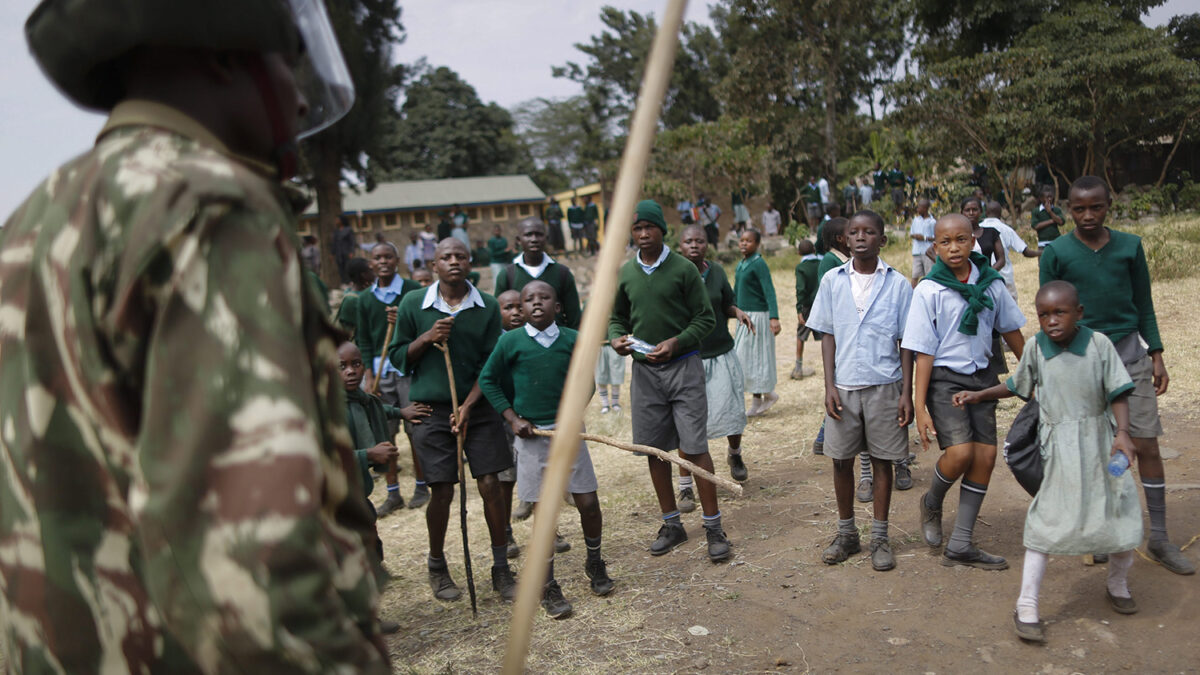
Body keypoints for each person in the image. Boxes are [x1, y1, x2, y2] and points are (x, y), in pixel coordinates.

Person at [0, 0, 391, 670]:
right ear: (222, 54)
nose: (300, 100)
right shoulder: (210, 205)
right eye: (285, 62)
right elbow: (250, 570)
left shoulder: (37, 216)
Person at [951, 281, 1142, 643]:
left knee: (1119, 516)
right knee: (1044, 524)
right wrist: (979, 395)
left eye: (1060, 312)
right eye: (1043, 315)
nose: (1051, 321)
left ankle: (1117, 583)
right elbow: (1015, 385)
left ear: (1079, 313)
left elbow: (1118, 391)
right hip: (1059, 452)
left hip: (1101, 444)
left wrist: (1123, 433)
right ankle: (1027, 604)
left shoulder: (1099, 345)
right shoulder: (1037, 348)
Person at [1039, 176, 1192, 575]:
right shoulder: (1056, 252)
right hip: (1081, 361)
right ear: (1066, 209)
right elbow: (1049, 313)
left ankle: (1158, 536)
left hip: (1129, 355)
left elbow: (1144, 303)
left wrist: (1156, 354)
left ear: (1110, 204)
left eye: (1096, 207)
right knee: (1092, 449)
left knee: (1144, 444)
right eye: (1078, 209)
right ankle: (1102, 532)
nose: (1087, 216)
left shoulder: (1130, 246)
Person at [388, 237, 518, 602]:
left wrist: (469, 406)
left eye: (460, 255)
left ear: (470, 261)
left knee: (490, 482)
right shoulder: (415, 303)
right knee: (442, 490)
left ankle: (500, 568)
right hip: (431, 411)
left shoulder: (487, 306)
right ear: (434, 265)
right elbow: (399, 358)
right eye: (446, 257)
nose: (454, 261)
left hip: (476, 408)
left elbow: (490, 365)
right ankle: (437, 565)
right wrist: (428, 337)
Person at [480, 281, 615, 619]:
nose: (536, 303)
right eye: (528, 299)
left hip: (568, 434)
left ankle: (595, 562)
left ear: (558, 306)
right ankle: (548, 585)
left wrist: (573, 415)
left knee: (588, 502)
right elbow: (488, 380)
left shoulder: (572, 339)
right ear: (520, 308)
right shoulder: (510, 342)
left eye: (544, 297)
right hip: (531, 437)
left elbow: (586, 380)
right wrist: (512, 418)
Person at [609, 200, 732, 562]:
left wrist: (677, 342)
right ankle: (672, 524)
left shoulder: (682, 269)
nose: (643, 234)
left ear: (663, 230)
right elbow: (617, 319)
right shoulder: (627, 273)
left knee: (694, 448)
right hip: (645, 372)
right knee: (655, 450)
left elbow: (705, 319)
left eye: (650, 227)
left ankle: (713, 526)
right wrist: (618, 339)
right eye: (637, 229)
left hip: (683, 367)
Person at [902, 214, 1026, 570]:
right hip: (945, 380)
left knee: (985, 458)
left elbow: (1011, 329)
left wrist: (1035, 369)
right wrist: (919, 405)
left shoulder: (991, 282)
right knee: (959, 454)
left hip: (983, 377)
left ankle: (961, 542)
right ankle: (932, 501)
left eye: (960, 240)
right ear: (935, 247)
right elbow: (923, 352)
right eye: (945, 242)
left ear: (974, 240)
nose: (953, 248)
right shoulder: (929, 289)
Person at [807, 210, 913, 572]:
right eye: (854, 232)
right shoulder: (832, 282)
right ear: (845, 239)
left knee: (882, 461)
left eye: (870, 232)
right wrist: (829, 385)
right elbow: (827, 335)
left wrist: (906, 393)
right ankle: (847, 533)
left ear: (882, 240)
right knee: (841, 460)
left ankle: (880, 537)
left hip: (885, 386)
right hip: (844, 388)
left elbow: (906, 343)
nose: (861, 238)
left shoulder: (898, 284)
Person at [679, 223, 754, 492]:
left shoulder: (718, 271)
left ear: (707, 245)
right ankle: (686, 482)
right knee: (687, 421)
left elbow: (727, 303)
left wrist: (738, 312)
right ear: (680, 246)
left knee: (732, 411)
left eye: (700, 241)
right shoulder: (675, 274)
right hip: (688, 357)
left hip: (720, 352)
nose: (694, 246)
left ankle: (735, 453)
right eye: (689, 242)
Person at [356, 240, 427, 513]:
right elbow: (363, 341)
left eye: (388, 257)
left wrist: (402, 319)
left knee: (414, 427)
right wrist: (368, 377)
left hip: (407, 369)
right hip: (379, 372)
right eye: (377, 258)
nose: (383, 262)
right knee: (384, 432)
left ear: (397, 261)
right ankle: (393, 492)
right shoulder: (363, 299)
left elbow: (422, 327)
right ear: (371, 264)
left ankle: (422, 485)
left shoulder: (411, 292)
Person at [494, 219, 583, 329]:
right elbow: (498, 315)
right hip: (521, 342)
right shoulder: (507, 275)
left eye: (539, 234)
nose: (534, 239)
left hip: (557, 340)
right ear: (518, 240)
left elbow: (574, 317)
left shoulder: (562, 273)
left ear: (547, 238)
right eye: (528, 235)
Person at [734, 229, 781, 417]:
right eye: (742, 240)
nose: (744, 244)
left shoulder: (759, 264)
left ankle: (767, 395)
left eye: (749, 241)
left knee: (757, 357)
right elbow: (736, 291)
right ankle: (758, 399)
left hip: (758, 317)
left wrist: (774, 317)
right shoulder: (741, 264)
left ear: (757, 244)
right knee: (745, 358)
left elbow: (769, 290)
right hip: (743, 317)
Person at [980, 201, 1040, 300]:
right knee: (1009, 307)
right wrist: (1043, 251)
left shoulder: (978, 229)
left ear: (986, 213)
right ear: (1000, 214)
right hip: (1004, 275)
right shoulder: (1007, 230)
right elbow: (1026, 252)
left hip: (984, 276)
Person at [792, 238, 821, 379]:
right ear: (814, 250)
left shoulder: (801, 268)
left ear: (798, 253)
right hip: (821, 305)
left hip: (807, 306)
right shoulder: (821, 263)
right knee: (827, 335)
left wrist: (799, 309)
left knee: (801, 336)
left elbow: (800, 289)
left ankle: (798, 368)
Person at [337, 257, 376, 336]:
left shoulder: (363, 292)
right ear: (364, 275)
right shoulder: (352, 299)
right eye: (371, 270)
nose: (375, 273)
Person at [909, 198, 936, 288]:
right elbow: (911, 234)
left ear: (926, 208)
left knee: (929, 275)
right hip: (917, 251)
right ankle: (912, 294)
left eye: (920, 207)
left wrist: (924, 238)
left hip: (927, 252)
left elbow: (936, 237)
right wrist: (915, 236)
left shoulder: (932, 222)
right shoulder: (916, 220)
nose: (918, 209)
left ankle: (929, 292)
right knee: (914, 275)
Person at [595, 339, 626, 414]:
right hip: (599, 346)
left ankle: (615, 403)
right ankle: (605, 405)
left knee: (616, 376)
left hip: (615, 346)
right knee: (601, 376)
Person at [333, 215, 358, 286]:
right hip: (339, 253)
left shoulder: (348, 230)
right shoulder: (337, 231)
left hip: (346, 252)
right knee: (341, 268)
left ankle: (350, 282)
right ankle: (343, 283)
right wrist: (333, 253)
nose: (336, 221)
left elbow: (352, 241)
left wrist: (352, 251)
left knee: (348, 267)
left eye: (338, 220)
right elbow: (334, 243)